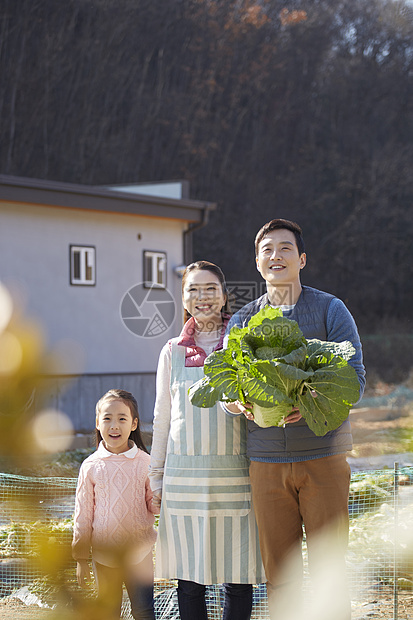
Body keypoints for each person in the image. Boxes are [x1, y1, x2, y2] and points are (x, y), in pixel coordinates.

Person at [223, 219, 366, 619]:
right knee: (280, 576)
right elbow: (224, 385)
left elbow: (355, 377)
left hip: (324, 456)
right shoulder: (243, 320)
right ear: (257, 262)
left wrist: (312, 403)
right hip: (266, 462)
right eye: (267, 249)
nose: (276, 256)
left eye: (285, 249)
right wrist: (238, 403)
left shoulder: (329, 309)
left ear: (301, 259)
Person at [149, 260, 264, 620]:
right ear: (184, 298)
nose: (202, 297)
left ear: (224, 296)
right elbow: (162, 418)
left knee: (238, 578)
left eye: (210, 289)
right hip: (184, 479)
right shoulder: (171, 351)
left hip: (236, 475)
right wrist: (156, 476)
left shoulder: (242, 343)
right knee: (189, 580)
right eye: (193, 290)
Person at [72, 389, 157, 620]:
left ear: (134, 424)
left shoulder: (146, 462)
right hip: (103, 556)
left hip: (139, 553)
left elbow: (154, 506)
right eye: (107, 418)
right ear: (98, 423)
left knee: (144, 611)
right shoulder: (90, 466)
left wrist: (162, 496)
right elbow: (83, 515)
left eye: (122, 418)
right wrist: (81, 558)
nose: (114, 425)